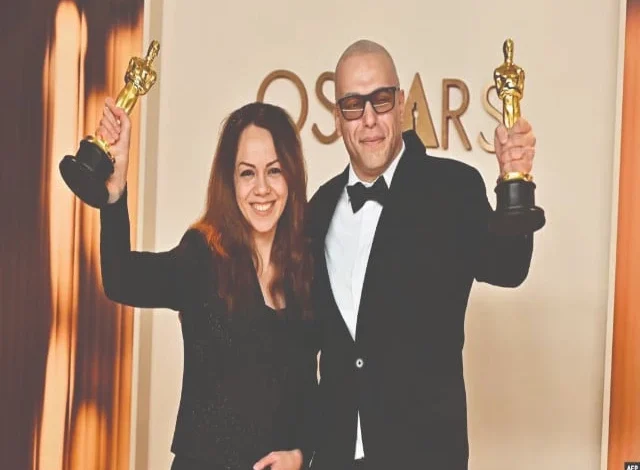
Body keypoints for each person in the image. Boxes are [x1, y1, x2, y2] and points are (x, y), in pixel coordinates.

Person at [306, 39, 538, 470]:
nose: (369, 119)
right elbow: (304, 343)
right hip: (334, 457)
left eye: (380, 99)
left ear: (400, 103)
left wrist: (516, 179)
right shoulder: (318, 209)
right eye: (353, 105)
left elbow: (509, 267)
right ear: (338, 118)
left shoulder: (453, 188)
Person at [96, 99, 317, 470]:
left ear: (291, 176)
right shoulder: (203, 256)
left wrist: (301, 456)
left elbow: (313, 390)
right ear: (230, 181)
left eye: (274, 170)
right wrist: (115, 190)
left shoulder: (306, 267)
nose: (262, 188)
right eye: (247, 173)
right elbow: (120, 279)